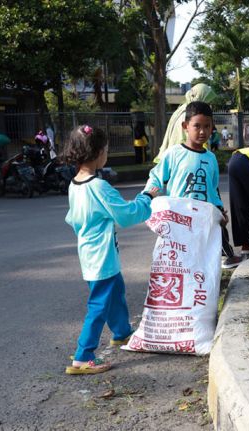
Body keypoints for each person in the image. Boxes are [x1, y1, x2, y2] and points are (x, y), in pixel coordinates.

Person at [63, 125, 159, 375]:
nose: (106, 154)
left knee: (115, 291)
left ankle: (122, 333)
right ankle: (83, 356)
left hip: (90, 252)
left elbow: (73, 219)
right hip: (101, 256)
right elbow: (126, 215)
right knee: (99, 305)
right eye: (105, 150)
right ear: (96, 154)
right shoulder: (98, 187)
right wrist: (147, 197)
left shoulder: (75, 185)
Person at [143, 101, 239, 268]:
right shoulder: (173, 153)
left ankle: (224, 261)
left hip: (203, 218)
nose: (202, 131)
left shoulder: (211, 158)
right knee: (180, 257)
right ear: (185, 126)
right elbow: (156, 177)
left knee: (202, 257)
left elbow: (213, 189)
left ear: (212, 127)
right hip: (179, 219)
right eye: (197, 126)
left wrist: (219, 210)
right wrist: (147, 196)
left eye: (207, 126)